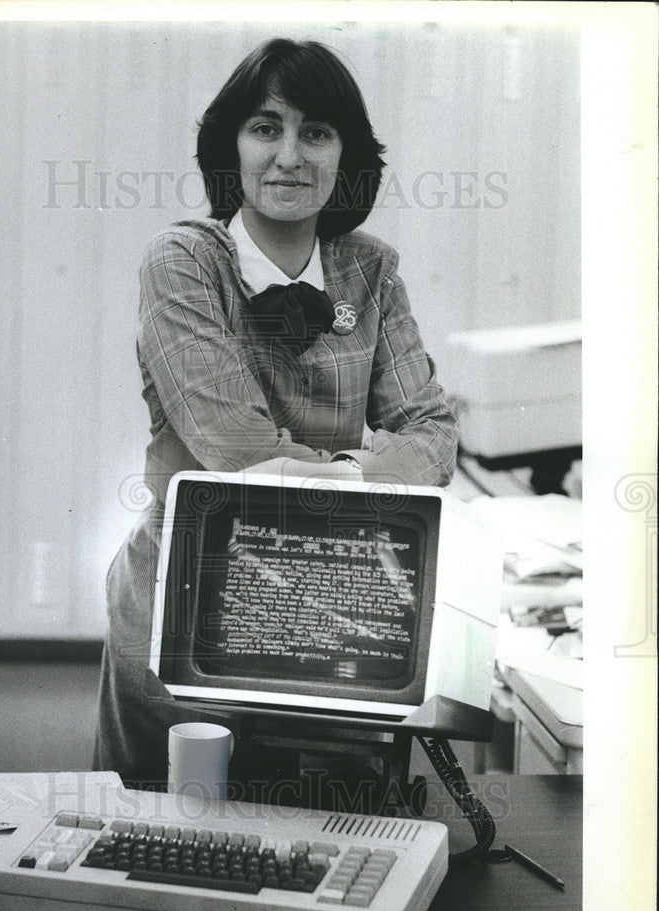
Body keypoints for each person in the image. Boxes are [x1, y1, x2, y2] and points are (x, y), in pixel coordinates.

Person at [94, 38, 458, 781]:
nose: (289, 155)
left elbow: (435, 432)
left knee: (326, 837)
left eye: (315, 132)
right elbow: (240, 453)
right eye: (266, 128)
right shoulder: (185, 260)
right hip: (184, 599)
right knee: (169, 831)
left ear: (344, 155)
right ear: (230, 147)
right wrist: (371, 477)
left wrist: (340, 474)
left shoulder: (370, 269)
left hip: (327, 593)